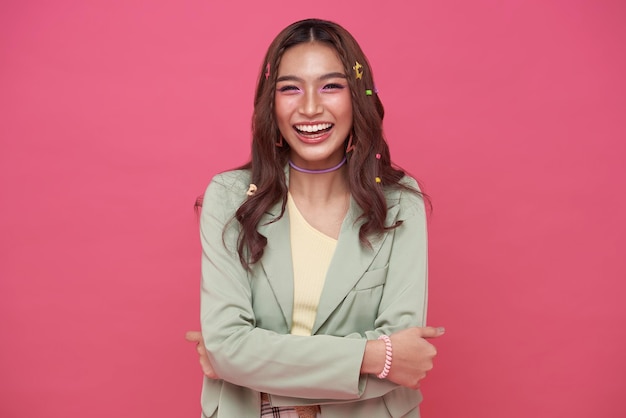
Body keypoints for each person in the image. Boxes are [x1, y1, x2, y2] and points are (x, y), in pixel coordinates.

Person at [186, 18, 444, 418]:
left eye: (331, 86)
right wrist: (373, 354)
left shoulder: (398, 201)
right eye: (290, 87)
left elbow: (402, 365)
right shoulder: (231, 197)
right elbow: (228, 348)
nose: (309, 107)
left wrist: (245, 364)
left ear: (357, 96)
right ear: (269, 102)